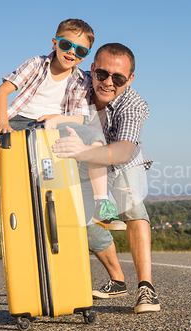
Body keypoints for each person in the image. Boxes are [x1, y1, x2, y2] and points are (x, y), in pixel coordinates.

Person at [0, 19, 123, 246]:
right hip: (18, 119)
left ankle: (102, 203)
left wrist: (58, 119)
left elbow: (80, 117)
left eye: (80, 50)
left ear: (86, 55)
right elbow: (2, 91)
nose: (72, 53)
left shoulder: (82, 79)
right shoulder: (36, 64)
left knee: (94, 138)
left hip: (56, 123)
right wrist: (3, 122)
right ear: (55, 43)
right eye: (66, 45)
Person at [52, 43, 160, 314]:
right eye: (102, 74)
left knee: (131, 205)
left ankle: (146, 289)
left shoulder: (133, 105)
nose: (109, 82)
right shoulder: (75, 86)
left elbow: (123, 151)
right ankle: (117, 279)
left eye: (119, 78)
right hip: (83, 162)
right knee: (82, 218)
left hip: (122, 162)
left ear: (130, 79)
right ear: (92, 69)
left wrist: (85, 150)